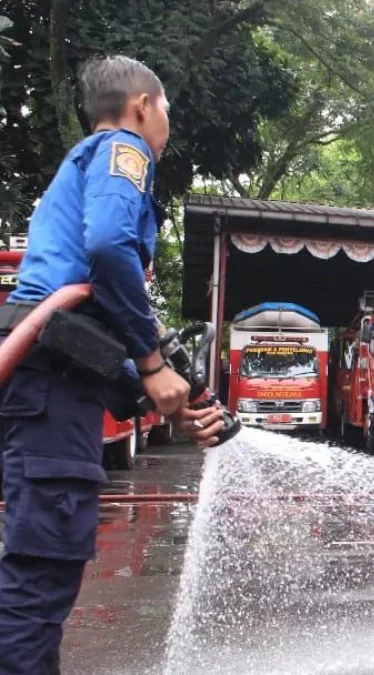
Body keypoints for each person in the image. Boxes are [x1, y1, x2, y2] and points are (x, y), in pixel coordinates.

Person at [0, 55, 222, 674]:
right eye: (167, 111)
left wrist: (162, 399)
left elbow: (88, 330)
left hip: (55, 376)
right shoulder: (125, 148)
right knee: (39, 574)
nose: (167, 127)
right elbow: (108, 246)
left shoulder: (82, 168)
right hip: (51, 382)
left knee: (46, 569)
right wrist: (152, 363)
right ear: (142, 106)